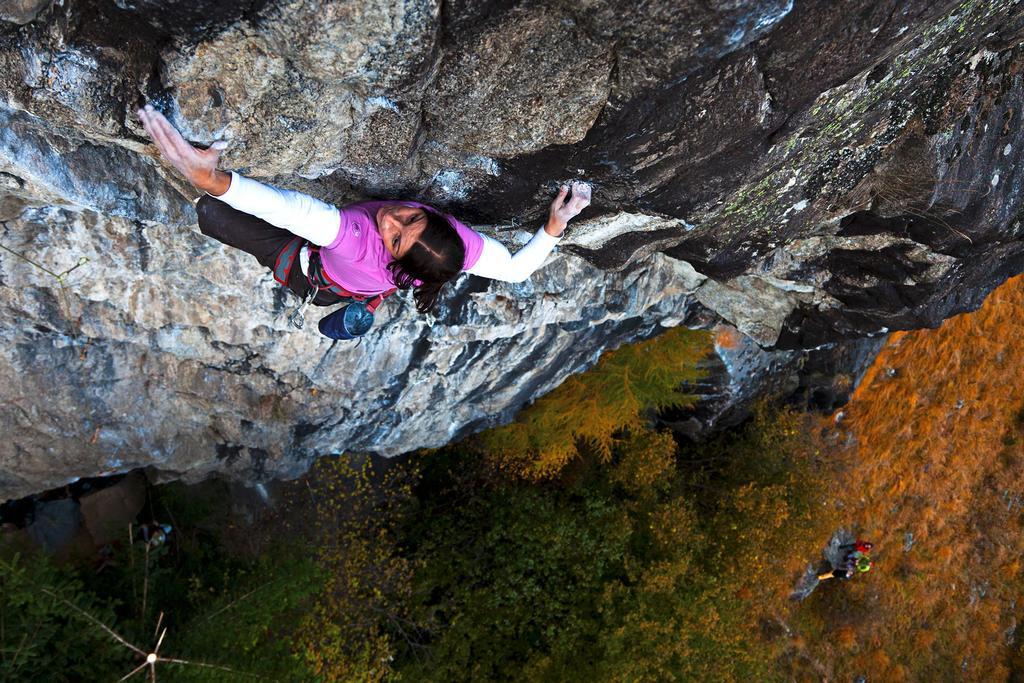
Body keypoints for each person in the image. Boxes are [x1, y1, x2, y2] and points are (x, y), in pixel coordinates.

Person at [135, 105, 592, 335]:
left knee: (209, 212)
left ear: (392, 256)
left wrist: (213, 181)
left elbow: (291, 210)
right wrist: (555, 224)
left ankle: (345, 312)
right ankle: (364, 305)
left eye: (394, 237)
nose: (391, 218)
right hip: (365, 278)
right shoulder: (462, 247)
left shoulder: (354, 238)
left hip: (308, 271)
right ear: (445, 223)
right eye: (411, 218)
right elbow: (515, 269)